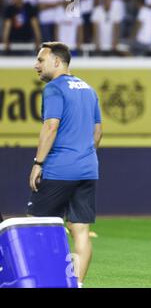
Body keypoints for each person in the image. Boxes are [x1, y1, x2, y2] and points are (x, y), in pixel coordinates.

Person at [29, 42, 103, 288]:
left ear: (57, 62)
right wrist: (83, 155)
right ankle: (77, 284)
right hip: (87, 169)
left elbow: (51, 126)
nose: (36, 65)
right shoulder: (88, 89)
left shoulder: (54, 88)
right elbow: (98, 132)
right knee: (80, 230)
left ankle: (43, 281)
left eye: (41, 60)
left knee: (35, 226)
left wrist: (38, 163)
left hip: (59, 169)